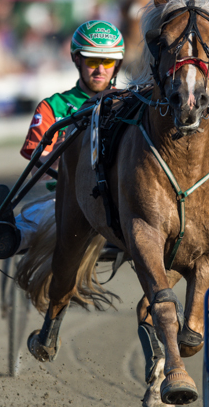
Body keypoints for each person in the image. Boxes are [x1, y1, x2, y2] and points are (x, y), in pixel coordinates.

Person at [10, 20, 125, 250]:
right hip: (64, 200)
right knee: (31, 221)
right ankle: (12, 236)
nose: (100, 70)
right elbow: (38, 170)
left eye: (108, 62)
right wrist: (69, 151)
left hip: (119, 202)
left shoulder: (128, 105)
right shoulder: (53, 107)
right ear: (77, 60)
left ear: (117, 65)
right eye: (93, 61)